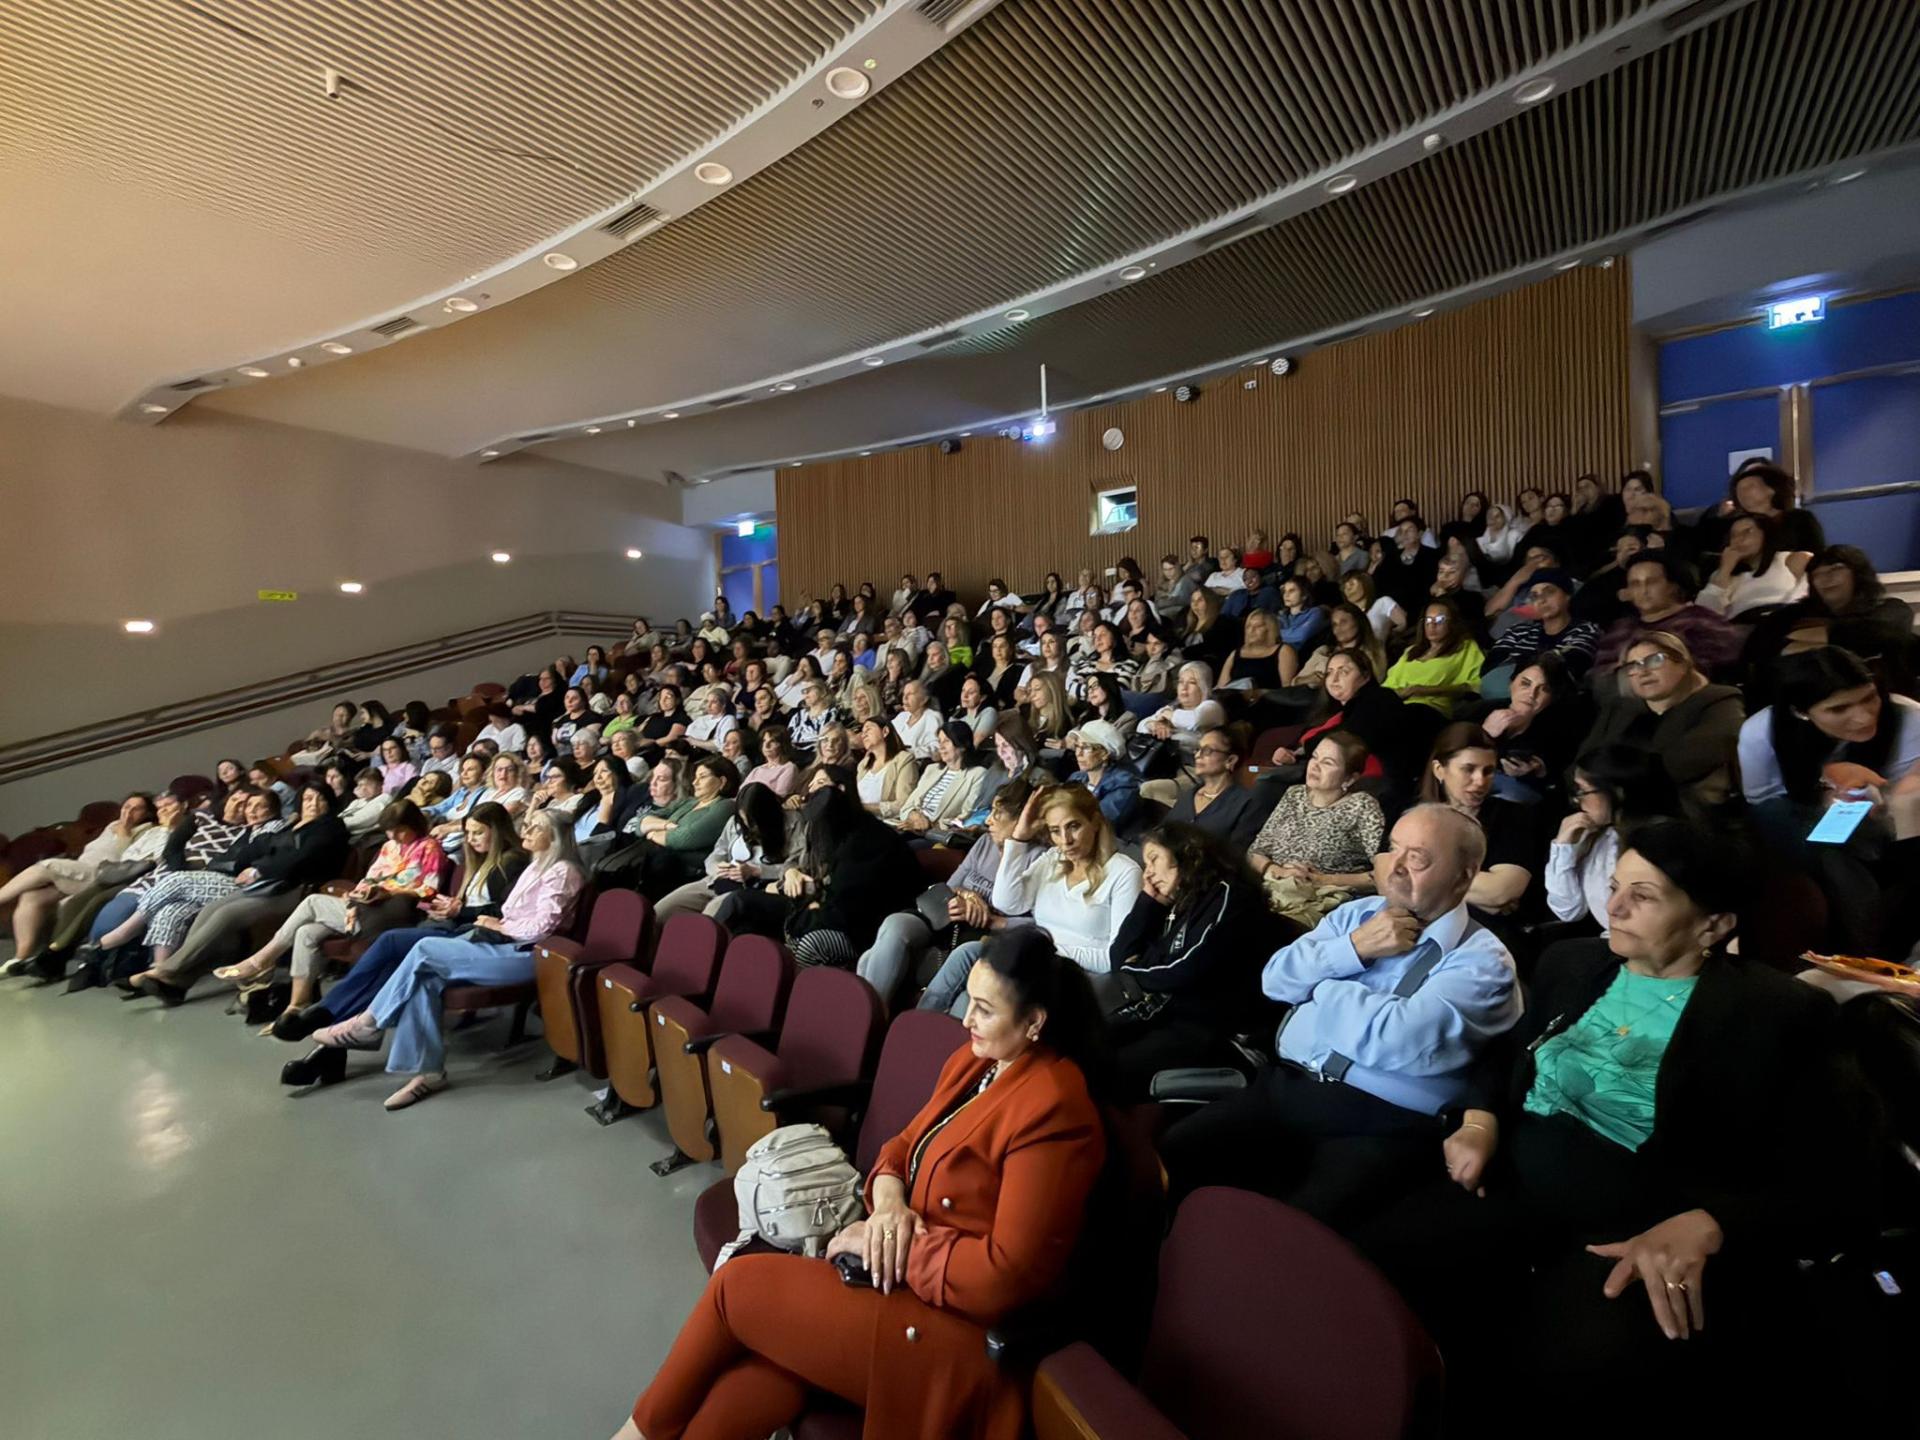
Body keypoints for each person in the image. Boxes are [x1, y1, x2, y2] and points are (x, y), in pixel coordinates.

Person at [1351, 821, 1874, 1433]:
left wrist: (1711, 1223)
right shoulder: (1573, 963)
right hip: (1508, 1188)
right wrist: (1480, 1118)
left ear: (1713, 926)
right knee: (1371, 1274)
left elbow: (1838, 1182)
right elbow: (1509, 1055)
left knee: (1537, 1375)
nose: (1615, 907)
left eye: (1643, 896)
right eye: (1615, 886)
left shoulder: (1778, 1014)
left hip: (1631, 1235)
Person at [618, 927, 1106, 1440]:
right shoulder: (975, 1061)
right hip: (898, 1282)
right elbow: (903, 1145)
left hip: (952, 1332)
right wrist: (890, 1205)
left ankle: (635, 1433)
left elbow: (1003, 1276)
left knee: (732, 1288)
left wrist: (891, 1243)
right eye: (970, 1002)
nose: (966, 1020)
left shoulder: (1055, 1107)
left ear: (1034, 1022)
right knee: (770, 1369)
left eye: (984, 1010)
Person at [1161, 803, 1521, 1224]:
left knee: (1294, 1227)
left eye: (1418, 858)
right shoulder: (1356, 915)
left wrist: (1321, 982)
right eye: (1393, 848)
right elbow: (1275, 981)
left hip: (1379, 1120)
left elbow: (1392, 1040)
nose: (1395, 867)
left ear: (1464, 875)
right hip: (1287, 1086)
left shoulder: (1484, 960)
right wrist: (1356, 947)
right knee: (1177, 1150)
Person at [309, 809, 585, 1109]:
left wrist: (500, 926)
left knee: (425, 949)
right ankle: (429, 1073)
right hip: (504, 943)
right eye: (527, 824)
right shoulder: (537, 866)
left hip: (530, 954)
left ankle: (368, 1023)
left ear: (555, 837)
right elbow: (513, 914)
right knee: (426, 977)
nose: (526, 830)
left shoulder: (563, 871)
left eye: (536, 827)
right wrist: (497, 923)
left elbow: (541, 928)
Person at [272, 804, 529, 1044]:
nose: (471, 839)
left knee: (390, 941)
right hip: (451, 924)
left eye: (478, 833)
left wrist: (460, 910)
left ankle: (330, 1012)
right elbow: (469, 904)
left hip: (476, 935)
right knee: (391, 962)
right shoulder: (478, 859)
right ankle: (339, 1018)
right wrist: (450, 907)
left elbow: (503, 911)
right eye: (468, 833)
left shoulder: (512, 861)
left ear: (497, 831)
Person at [1738, 647, 1920, 952]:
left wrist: (1882, 795)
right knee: (1818, 842)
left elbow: (1910, 800)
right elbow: (1764, 801)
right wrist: (1825, 787)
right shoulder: (1762, 732)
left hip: (1898, 825)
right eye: (1839, 709)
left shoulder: (1908, 718)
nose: (1863, 716)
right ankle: (1864, 945)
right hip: (1809, 820)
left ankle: (1872, 943)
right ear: (1801, 711)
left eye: (1869, 698)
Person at [113, 784, 350, 1002]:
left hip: (296, 888)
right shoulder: (291, 824)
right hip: (267, 884)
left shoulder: (330, 826)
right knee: (211, 909)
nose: (313, 803)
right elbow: (259, 849)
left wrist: (259, 869)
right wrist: (246, 861)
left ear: (329, 802)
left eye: (320, 798)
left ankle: (162, 971)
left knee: (225, 915)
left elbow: (301, 858)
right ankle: (176, 983)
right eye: (308, 798)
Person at [210, 799, 448, 1014]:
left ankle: (261, 961)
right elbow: (369, 880)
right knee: (306, 932)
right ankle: (297, 1005)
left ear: (414, 825)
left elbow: (429, 889)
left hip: (394, 911)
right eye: (389, 830)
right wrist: (359, 893)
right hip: (367, 906)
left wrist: (390, 892)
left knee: (312, 901)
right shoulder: (389, 847)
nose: (394, 836)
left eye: (400, 830)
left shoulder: (429, 847)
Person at [921, 785, 1144, 1014]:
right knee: (967, 953)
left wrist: (1048, 950)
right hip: (1037, 959)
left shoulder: (1124, 873)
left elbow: (1114, 957)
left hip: (1076, 973)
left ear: (1095, 822)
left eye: (1074, 826)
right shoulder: (1054, 859)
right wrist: (1018, 839)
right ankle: (915, 1027)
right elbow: (1007, 902)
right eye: (1055, 831)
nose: (1065, 840)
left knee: (969, 1000)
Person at [1106, 823, 1277, 1099]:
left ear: (1186, 853)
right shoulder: (1179, 900)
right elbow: (1118, 955)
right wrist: (1149, 903)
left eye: (1154, 859)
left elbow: (1184, 968)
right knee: (1087, 1045)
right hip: (1171, 1015)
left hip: (1220, 1033)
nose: (1147, 873)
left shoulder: (1231, 895)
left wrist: (1134, 968)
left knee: (1110, 1069)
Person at [1582, 632, 1744, 821]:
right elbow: (1582, 764)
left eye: (1654, 660)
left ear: (1683, 663)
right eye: (1633, 665)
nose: (1643, 671)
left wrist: (1606, 788)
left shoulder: (1720, 701)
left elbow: (1679, 765)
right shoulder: (1620, 708)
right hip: (1611, 809)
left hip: (1685, 816)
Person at [0, 793, 156, 968]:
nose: (128, 812)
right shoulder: (112, 825)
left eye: (136, 809)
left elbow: (127, 861)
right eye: (126, 807)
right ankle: (21, 958)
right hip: (78, 872)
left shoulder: (147, 830)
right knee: (32, 897)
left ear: (147, 813)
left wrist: (125, 835)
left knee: (47, 866)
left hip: (102, 875)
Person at [1247, 731, 1386, 927]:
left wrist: (1320, 879)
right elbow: (1255, 852)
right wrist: (1278, 871)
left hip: (1317, 904)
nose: (1315, 766)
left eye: (1328, 763)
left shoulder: (1361, 805)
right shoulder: (1294, 794)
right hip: (1271, 890)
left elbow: (1382, 874)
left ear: (1349, 778)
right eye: (1314, 757)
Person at [775, 787, 923, 969]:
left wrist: (810, 915)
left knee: (809, 944)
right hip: (849, 913)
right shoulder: (852, 830)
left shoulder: (864, 845)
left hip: (873, 928)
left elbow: (849, 908)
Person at [1422, 724, 1545, 926]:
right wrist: (1476, 893)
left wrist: (1420, 878)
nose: (1480, 781)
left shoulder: (1512, 815)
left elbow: (1501, 892)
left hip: (1485, 931)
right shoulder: (1408, 812)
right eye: (1468, 769)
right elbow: (1385, 879)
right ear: (1439, 770)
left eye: (1488, 771)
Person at [1544, 745, 1674, 932]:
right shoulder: (1599, 835)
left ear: (1618, 793)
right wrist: (1563, 848)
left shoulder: (1658, 843)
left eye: (1583, 790)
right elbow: (1569, 911)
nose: (1577, 800)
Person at [1462, 653, 1593, 805]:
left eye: (1544, 689)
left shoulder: (1558, 729)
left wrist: (1536, 769)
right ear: (1511, 683)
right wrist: (1485, 733)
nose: (1532, 694)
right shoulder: (1479, 711)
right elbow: (1451, 756)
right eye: (1525, 683)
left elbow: (1558, 775)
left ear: (1552, 698)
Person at [652, 782, 794, 921]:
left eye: (752, 821)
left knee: (708, 918)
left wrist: (755, 871)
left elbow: (798, 865)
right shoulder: (734, 822)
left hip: (752, 889)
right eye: (743, 820)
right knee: (660, 911)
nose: (748, 826)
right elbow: (716, 854)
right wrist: (718, 868)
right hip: (717, 881)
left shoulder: (791, 823)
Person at [1590, 553, 1740, 680]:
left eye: (1652, 582)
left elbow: (1718, 669)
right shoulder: (1620, 628)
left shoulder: (1702, 620)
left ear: (1673, 586)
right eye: (1635, 584)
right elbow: (1599, 676)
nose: (1643, 590)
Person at [1165, 723, 1274, 847]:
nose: (1197, 755)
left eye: (1207, 751)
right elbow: (1164, 834)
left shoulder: (1247, 804)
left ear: (1230, 760)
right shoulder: (1189, 795)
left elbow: (1237, 853)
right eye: (1198, 749)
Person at [1485, 569, 1603, 679]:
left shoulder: (1586, 630)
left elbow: (1569, 670)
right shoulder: (1517, 631)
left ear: (1567, 595)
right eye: (1535, 596)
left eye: (1549, 592)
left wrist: (1515, 668)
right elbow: (1488, 670)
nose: (1541, 600)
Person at [1383, 596, 1484, 716]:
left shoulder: (1465, 647)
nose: (1432, 625)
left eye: (1440, 620)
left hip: (1430, 707)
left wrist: (1425, 690)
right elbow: (1388, 687)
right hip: (1396, 705)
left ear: (1452, 623)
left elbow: (1473, 686)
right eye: (1428, 620)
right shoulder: (1410, 651)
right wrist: (1401, 694)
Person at [1698, 512, 1810, 620]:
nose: (1739, 539)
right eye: (1733, 535)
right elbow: (1703, 615)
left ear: (1766, 533)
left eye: (1747, 532)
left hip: (1787, 620)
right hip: (1743, 626)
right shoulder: (1723, 576)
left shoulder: (1790, 559)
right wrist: (1725, 569)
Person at [886, 722, 988, 832]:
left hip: (935, 832)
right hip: (909, 823)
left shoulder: (977, 774)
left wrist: (929, 825)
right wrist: (914, 815)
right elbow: (907, 805)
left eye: (946, 741)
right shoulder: (932, 769)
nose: (941, 747)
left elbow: (967, 815)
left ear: (962, 746)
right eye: (940, 741)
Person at [1139, 662, 1228, 768]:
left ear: (1203, 687)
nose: (1184, 687)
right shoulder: (1172, 708)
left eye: (1192, 682)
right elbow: (1140, 726)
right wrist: (1153, 725)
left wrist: (1169, 715)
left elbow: (1194, 720)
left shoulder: (1212, 707)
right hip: (1158, 763)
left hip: (1190, 767)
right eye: (1181, 682)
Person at [1064, 719, 1141, 833]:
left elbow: (1099, 824)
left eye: (1086, 747)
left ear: (1105, 754)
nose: (1078, 753)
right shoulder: (1076, 778)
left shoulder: (1124, 784)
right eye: (1077, 746)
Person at [855, 718, 920, 814]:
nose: (863, 735)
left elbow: (903, 803)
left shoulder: (904, 760)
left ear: (885, 731)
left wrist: (864, 808)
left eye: (868, 729)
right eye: (862, 732)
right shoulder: (863, 765)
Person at [742, 727, 801, 797]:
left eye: (772, 741)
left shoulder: (788, 768)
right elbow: (740, 793)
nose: (766, 745)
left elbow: (781, 796)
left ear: (782, 744)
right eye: (764, 741)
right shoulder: (757, 770)